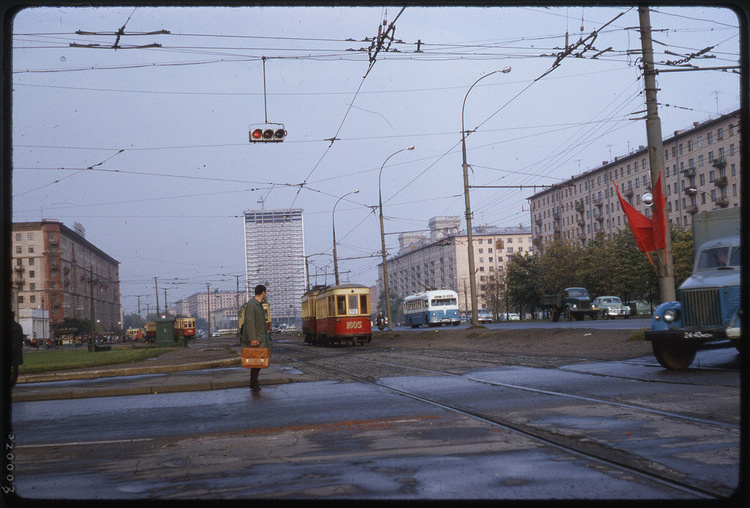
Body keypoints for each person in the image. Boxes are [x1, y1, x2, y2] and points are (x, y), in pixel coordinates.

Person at [240, 284, 271, 392]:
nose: (265, 295)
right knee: (256, 361)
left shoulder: (257, 304)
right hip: (256, 339)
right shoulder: (252, 305)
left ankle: (254, 382)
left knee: (257, 361)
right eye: (265, 293)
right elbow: (249, 323)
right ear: (263, 292)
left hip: (260, 337)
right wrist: (252, 338)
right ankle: (254, 383)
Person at [10, 313, 25, 387]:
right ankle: (13, 382)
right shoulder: (18, 326)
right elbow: (21, 338)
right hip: (16, 349)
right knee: (16, 368)